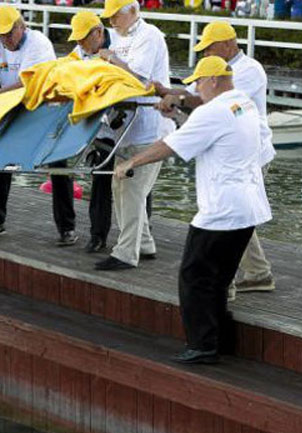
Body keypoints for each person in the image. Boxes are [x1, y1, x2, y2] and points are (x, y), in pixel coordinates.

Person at [115, 56, 272, 364]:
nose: (197, 88)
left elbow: (169, 145)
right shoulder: (243, 104)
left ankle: (202, 346)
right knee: (218, 280)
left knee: (194, 277)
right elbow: (207, 121)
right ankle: (218, 341)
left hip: (221, 212)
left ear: (213, 80)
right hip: (248, 208)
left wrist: (131, 162)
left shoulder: (214, 112)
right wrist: (182, 107)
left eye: (199, 82)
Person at [155, 21, 276, 299]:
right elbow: (203, 99)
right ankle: (258, 273)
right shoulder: (218, 69)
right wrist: (174, 97)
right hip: (234, 149)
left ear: (227, 44)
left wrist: (175, 97)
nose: (207, 54)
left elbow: (214, 103)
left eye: (209, 48)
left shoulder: (248, 71)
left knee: (231, 214)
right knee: (240, 214)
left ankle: (227, 285)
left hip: (250, 152)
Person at [0, 6, 80, 246]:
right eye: (1, 35)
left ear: (21, 26)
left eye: (9, 34)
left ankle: (67, 228)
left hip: (45, 108)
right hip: (11, 107)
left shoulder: (39, 44)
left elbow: (28, 84)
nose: (5, 40)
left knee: (58, 165)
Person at [92, 0, 174, 270]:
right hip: (125, 129)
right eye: (109, 17)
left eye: (116, 15)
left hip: (149, 128)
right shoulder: (116, 37)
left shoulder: (149, 36)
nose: (112, 21)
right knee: (123, 187)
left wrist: (111, 59)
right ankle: (146, 243)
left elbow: (140, 78)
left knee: (132, 189)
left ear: (133, 12)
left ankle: (126, 253)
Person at [67, 11, 116, 253]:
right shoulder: (76, 55)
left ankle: (142, 235)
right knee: (100, 181)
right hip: (100, 129)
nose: (78, 43)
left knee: (136, 186)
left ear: (98, 33)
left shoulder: (119, 47)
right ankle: (98, 235)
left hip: (128, 126)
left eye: (82, 37)